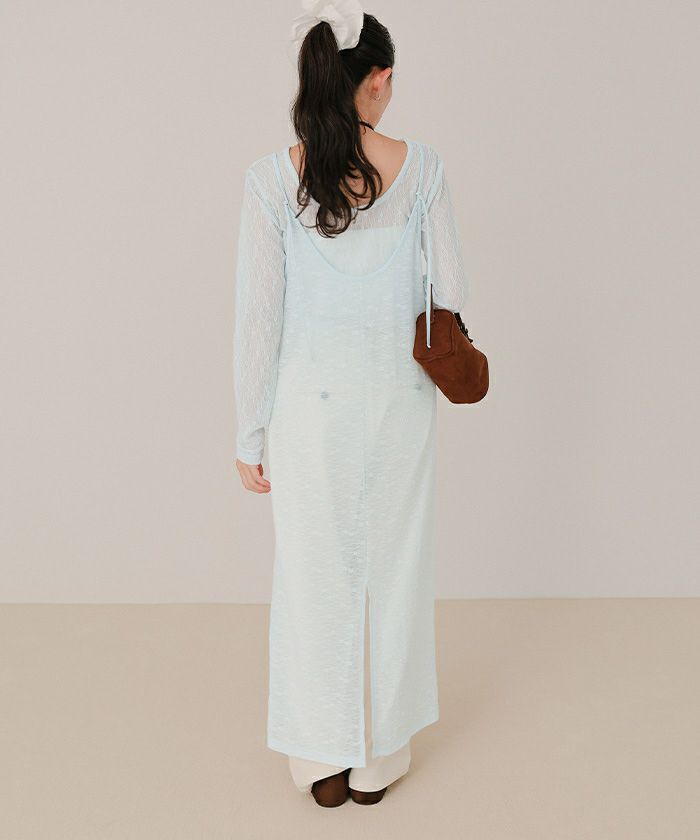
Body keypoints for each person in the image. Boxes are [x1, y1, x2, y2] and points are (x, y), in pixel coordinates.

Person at [233, 0, 469, 808]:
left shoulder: (272, 182)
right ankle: (379, 758)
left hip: (309, 410)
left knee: (314, 575)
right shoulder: (424, 171)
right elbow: (451, 293)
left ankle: (319, 759)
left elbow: (258, 322)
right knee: (393, 570)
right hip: (399, 405)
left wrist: (248, 433)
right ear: (378, 80)